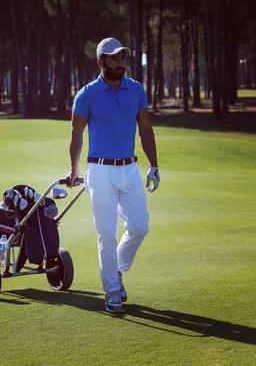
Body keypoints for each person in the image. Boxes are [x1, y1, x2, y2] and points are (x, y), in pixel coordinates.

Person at [66, 37, 160, 313]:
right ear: (101, 62)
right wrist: (74, 168)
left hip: (130, 168)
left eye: (123, 58)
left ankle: (116, 271)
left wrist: (154, 166)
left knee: (140, 226)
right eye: (115, 58)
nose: (121, 62)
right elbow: (76, 133)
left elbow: (145, 129)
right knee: (106, 234)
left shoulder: (136, 90)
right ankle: (111, 292)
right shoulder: (87, 94)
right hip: (100, 170)